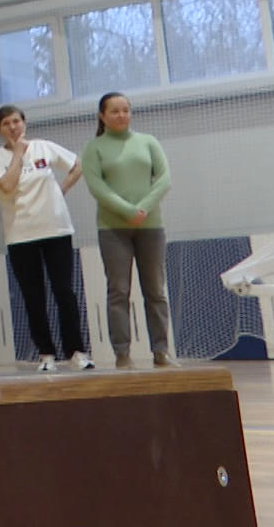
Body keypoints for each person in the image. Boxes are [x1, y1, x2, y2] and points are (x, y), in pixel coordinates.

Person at [0, 105, 92, 372]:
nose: (13, 127)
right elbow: (7, 185)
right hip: (21, 235)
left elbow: (78, 165)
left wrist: (60, 190)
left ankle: (77, 352)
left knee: (64, 291)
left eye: (17, 121)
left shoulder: (44, 147)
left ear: (24, 123)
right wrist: (18, 154)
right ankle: (46, 354)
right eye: (6, 123)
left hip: (56, 230)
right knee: (34, 296)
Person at [81, 92, 173, 368]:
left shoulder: (148, 142)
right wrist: (128, 211)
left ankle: (161, 351)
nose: (121, 115)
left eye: (125, 110)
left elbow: (164, 179)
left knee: (155, 291)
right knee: (118, 291)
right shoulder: (94, 148)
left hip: (151, 227)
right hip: (113, 229)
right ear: (102, 116)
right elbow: (97, 187)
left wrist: (143, 208)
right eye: (114, 111)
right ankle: (122, 354)